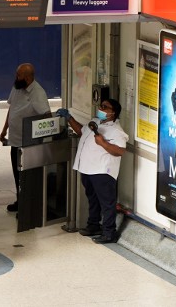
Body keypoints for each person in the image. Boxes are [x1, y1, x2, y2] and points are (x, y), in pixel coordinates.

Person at [60, 97, 128, 244]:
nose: (101, 109)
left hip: (102, 171)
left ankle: (109, 233)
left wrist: (103, 143)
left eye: (105, 107)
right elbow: (81, 131)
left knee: (107, 203)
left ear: (113, 113)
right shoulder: (96, 122)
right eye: (101, 106)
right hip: (87, 169)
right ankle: (93, 226)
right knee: (93, 199)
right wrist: (69, 118)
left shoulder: (117, 131)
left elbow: (120, 151)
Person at [0, 63, 50, 212]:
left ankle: (30, 206)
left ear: (28, 77)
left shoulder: (38, 93)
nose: (16, 77)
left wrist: (43, 139)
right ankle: (20, 200)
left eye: (19, 75)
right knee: (17, 173)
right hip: (15, 140)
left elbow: (46, 116)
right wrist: (4, 129)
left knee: (27, 176)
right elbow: (12, 109)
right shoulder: (17, 87)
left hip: (29, 143)